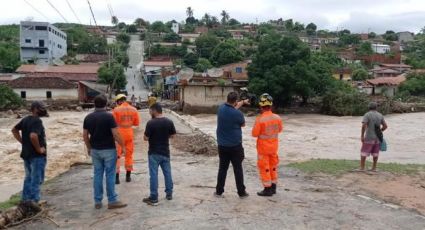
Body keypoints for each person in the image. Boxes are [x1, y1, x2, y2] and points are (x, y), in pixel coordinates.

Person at [83, 95, 127, 209]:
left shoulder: (88, 117)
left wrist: (89, 148)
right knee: (110, 175)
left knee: (97, 174)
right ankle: (112, 201)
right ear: (106, 104)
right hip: (108, 150)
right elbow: (116, 134)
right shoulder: (109, 117)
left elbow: (85, 136)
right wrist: (123, 146)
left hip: (95, 150)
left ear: (94, 104)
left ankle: (97, 201)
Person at [11, 101, 49, 210]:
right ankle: (34, 202)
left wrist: (23, 142)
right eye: (41, 108)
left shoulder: (26, 119)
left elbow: (14, 130)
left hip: (26, 154)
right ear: (35, 109)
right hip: (36, 156)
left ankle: (25, 200)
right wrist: (39, 149)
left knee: (28, 178)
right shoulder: (37, 121)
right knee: (36, 179)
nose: (43, 110)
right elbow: (33, 136)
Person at [215, 92, 250, 199]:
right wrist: (242, 103)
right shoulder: (238, 114)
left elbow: (233, 107)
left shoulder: (220, 109)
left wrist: (243, 102)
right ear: (235, 101)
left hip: (222, 145)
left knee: (222, 169)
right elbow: (243, 124)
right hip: (235, 146)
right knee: (238, 169)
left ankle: (219, 191)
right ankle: (241, 192)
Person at [143, 103, 176, 206]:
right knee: (167, 173)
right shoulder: (169, 122)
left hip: (153, 153)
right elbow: (173, 135)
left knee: (153, 175)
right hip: (165, 152)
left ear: (154, 111)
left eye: (150, 111)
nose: (149, 113)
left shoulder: (150, 123)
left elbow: (145, 138)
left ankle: (154, 197)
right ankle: (169, 194)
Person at [252, 94, 283, 196]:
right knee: (273, 167)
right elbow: (280, 129)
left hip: (263, 149)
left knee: (264, 168)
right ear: (271, 106)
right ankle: (273, 187)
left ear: (261, 106)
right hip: (274, 148)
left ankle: (267, 189)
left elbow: (254, 134)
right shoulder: (277, 118)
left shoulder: (260, 119)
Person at [112, 94, 140, 184]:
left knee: (117, 156)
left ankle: (116, 178)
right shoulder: (134, 109)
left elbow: (112, 124)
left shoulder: (116, 110)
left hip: (119, 135)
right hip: (129, 134)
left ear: (119, 101)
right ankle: (128, 176)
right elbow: (136, 123)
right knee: (129, 155)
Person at [359, 102, 388, 172]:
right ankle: (374, 168)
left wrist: (362, 135)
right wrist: (380, 131)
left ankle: (362, 168)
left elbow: (364, 125)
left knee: (364, 152)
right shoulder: (380, 115)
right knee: (375, 153)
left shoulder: (367, 115)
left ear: (369, 108)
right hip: (377, 138)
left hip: (369, 137)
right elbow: (385, 126)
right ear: (376, 108)